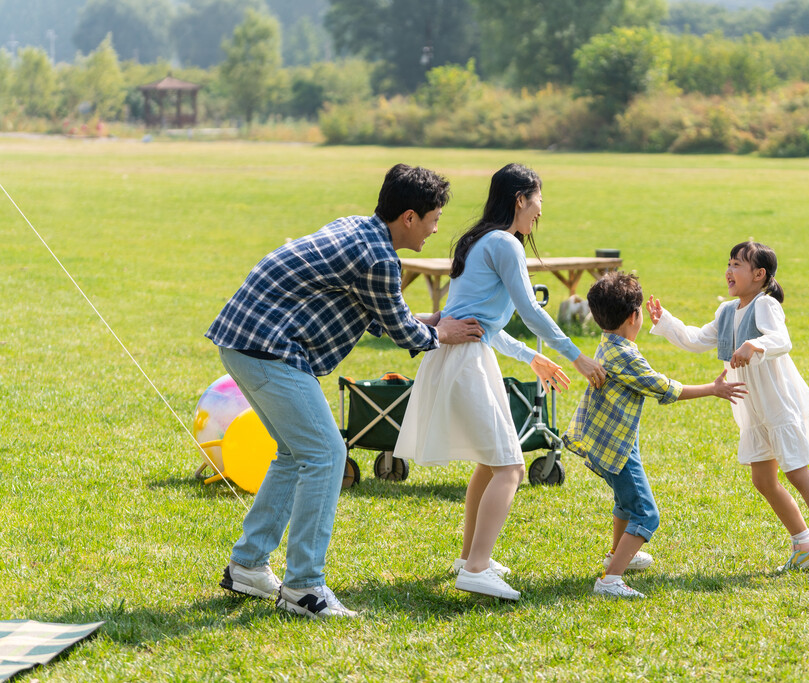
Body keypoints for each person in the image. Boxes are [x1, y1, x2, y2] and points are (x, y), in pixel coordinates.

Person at [207, 164, 484, 619]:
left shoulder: (359, 229)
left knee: (297, 454)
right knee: (327, 454)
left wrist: (433, 322)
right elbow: (399, 329)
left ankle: (249, 565)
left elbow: (379, 312)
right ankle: (304, 589)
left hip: (243, 340)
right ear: (410, 217)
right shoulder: (379, 258)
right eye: (434, 218)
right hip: (268, 348)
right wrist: (442, 333)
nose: (436, 229)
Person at [393, 163, 607, 602]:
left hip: (462, 355)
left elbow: (483, 325)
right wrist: (578, 356)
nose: (540, 212)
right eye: (539, 201)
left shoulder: (478, 240)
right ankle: (475, 569)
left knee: (491, 464)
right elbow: (530, 310)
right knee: (510, 466)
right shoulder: (505, 243)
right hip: (467, 360)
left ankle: (473, 557)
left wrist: (532, 358)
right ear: (520, 199)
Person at [648, 241, 809, 580]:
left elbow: (782, 339)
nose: (729, 271)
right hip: (752, 407)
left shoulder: (766, 305)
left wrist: (755, 344)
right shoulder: (727, 311)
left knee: (796, 472)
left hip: (776, 401)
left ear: (759, 275)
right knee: (763, 479)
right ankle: (804, 546)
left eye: (738, 265)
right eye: (728, 263)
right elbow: (696, 339)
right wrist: (667, 322)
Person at [563, 272, 747, 598]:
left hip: (614, 442)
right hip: (615, 446)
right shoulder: (626, 356)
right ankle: (610, 580)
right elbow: (663, 388)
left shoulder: (609, 343)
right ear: (634, 317)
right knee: (646, 514)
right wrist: (713, 389)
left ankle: (615, 555)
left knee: (625, 503)